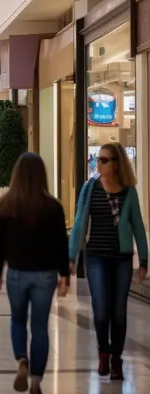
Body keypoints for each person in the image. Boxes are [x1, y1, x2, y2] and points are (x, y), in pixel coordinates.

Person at [0, 152, 70, 394]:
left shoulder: (7, 204)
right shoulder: (53, 207)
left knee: (17, 320)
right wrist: (64, 274)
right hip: (45, 275)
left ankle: (22, 360)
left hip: (16, 273)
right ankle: (36, 382)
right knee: (40, 327)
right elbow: (60, 244)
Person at [69, 142, 148, 380]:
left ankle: (117, 359)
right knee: (101, 310)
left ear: (117, 163)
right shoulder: (90, 187)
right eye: (99, 159)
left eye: (104, 160)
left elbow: (138, 226)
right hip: (96, 258)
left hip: (122, 259)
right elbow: (80, 222)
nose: (99, 163)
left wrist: (144, 260)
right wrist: (71, 257)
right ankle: (104, 352)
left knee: (119, 312)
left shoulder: (129, 191)